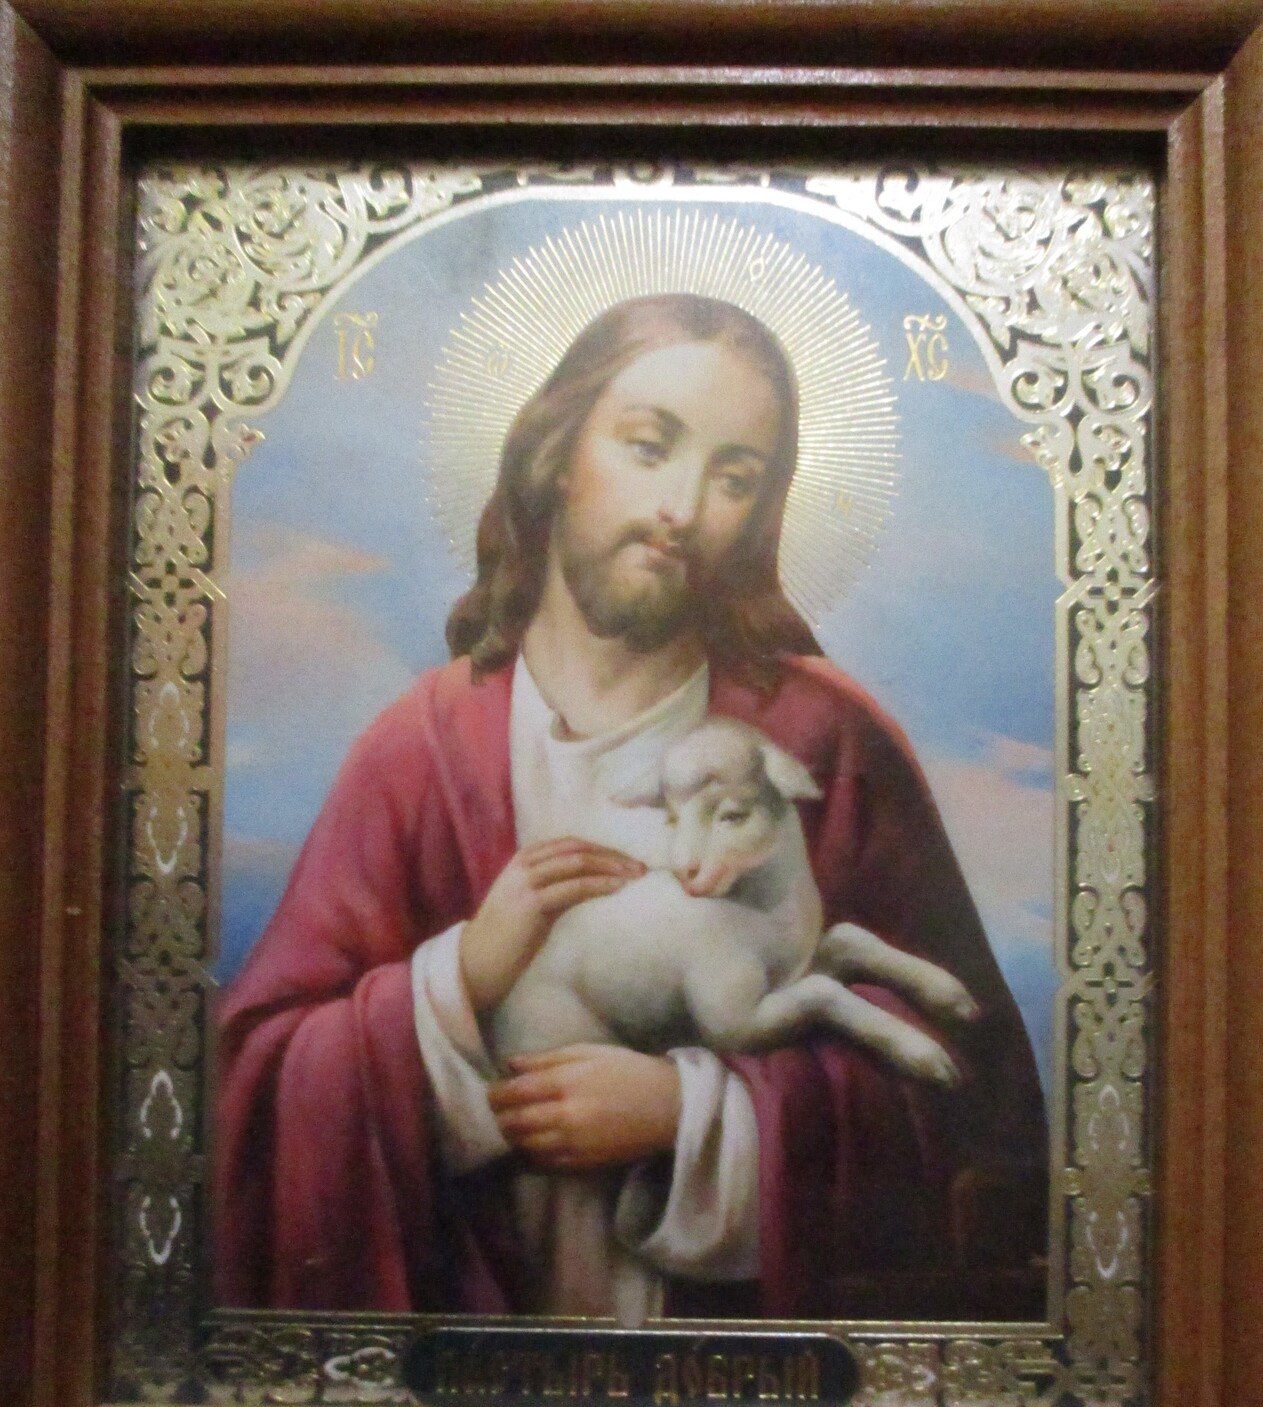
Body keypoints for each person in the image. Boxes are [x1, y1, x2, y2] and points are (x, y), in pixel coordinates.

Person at [213, 293, 1048, 1323]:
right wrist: (462, 979)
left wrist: (691, 1114)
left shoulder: (822, 743)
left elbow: (976, 1105)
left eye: (733, 478)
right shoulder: (421, 750)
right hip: (477, 1350)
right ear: (557, 456)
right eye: (649, 447)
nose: (682, 509)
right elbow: (259, 1089)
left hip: (746, 1367)